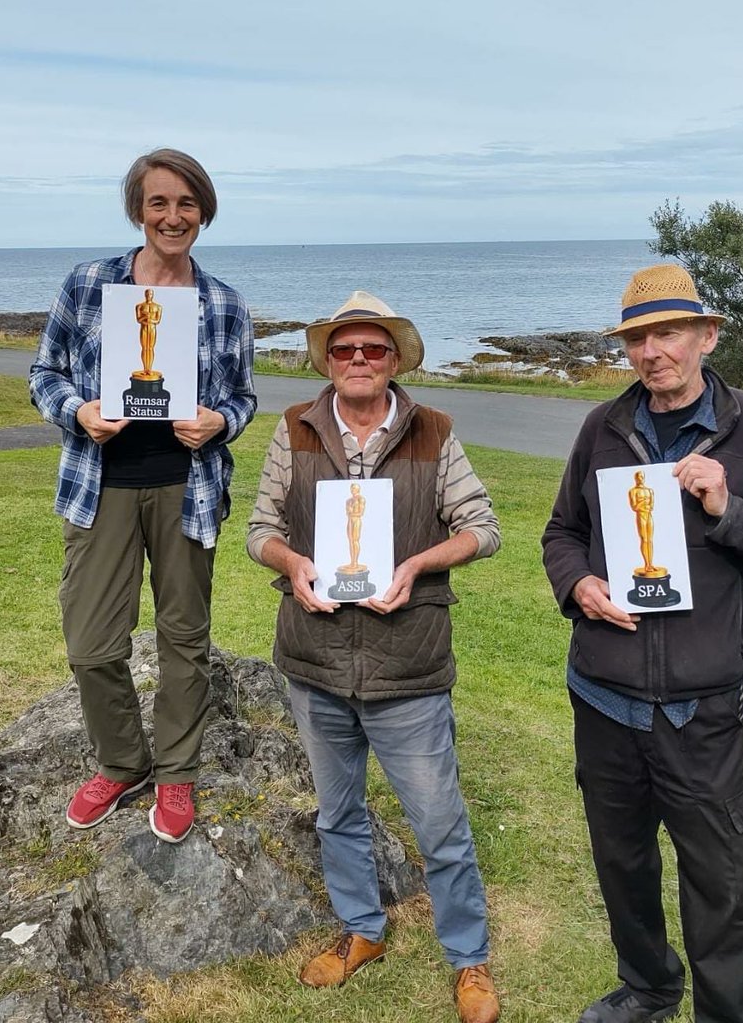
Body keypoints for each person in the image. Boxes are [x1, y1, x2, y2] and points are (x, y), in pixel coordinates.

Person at [542, 263, 743, 1023]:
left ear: (706, 335)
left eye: (667, 332)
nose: (650, 351)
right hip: (604, 700)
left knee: (726, 888)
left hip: (703, 714)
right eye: (636, 338)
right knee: (623, 867)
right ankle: (648, 987)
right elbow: (563, 533)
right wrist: (577, 586)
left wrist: (729, 507)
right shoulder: (600, 427)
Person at [247, 292, 501, 1023]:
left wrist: (420, 563)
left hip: (407, 662)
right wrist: (292, 563)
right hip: (315, 657)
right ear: (327, 359)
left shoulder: (436, 432)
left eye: (374, 350)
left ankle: (469, 959)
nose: (358, 360)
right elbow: (259, 527)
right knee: (337, 814)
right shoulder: (292, 429)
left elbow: (482, 528)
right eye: (345, 350)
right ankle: (362, 931)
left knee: (440, 824)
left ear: (395, 360)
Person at [29, 148, 256, 845]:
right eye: (159, 203)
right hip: (102, 488)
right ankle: (123, 761)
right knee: (93, 644)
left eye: (187, 203)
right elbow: (44, 371)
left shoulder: (223, 302)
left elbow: (244, 397)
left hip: (187, 488)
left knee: (185, 640)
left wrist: (221, 422)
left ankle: (178, 772)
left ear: (204, 213)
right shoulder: (89, 283)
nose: (173, 216)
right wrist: (78, 411)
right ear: (138, 210)